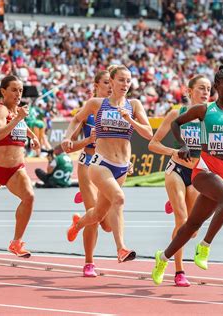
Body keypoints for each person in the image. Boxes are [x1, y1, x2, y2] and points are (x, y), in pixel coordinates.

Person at [151, 65, 223, 285]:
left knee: (191, 225)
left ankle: (163, 258)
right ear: (217, 86)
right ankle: (204, 247)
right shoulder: (205, 110)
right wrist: (182, 145)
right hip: (204, 171)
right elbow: (176, 123)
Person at [63, 65, 153, 263]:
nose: (125, 84)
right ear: (111, 82)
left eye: (128, 81)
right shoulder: (97, 103)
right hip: (100, 163)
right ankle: (121, 249)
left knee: (98, 215)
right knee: (119, 199)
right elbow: (77, 119)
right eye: (121, 80)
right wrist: (67, 137)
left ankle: (78, 224)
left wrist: (130, 119)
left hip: (121, 167)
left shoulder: (134, 105)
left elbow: (148, 133)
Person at [148, 75, 211, 287]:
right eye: (201, 88)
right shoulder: (178, 114)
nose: (205, 92)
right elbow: (153, 144)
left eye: (209, 89)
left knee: (192, 231)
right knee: (182, 220)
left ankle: (175, 200)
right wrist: (174, 151)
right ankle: (178, 271)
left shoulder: (211, 117)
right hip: (176, 170)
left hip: (196, 175)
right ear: (189, 91)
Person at [61, 69, 112, 277]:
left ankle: (78, 222)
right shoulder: (90, 108)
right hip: (88, 164)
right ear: (97, 86)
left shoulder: (120, 108)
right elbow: (69, 147)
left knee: (107, 225)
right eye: (106, 83)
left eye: (113, 82)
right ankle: (89, 263)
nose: (110, 86)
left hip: (109, 166)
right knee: (95, 215)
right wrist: (84, 141)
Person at [0, 75, 40, 258]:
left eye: (20, 90)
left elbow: (23, 127)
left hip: (16, 170)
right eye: (14, 90)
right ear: (3, 91)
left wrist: (33, 137)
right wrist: (18, 118)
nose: (18, 93)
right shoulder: (0, 111)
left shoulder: (18, 112)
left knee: (29, 197)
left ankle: (16, 243)